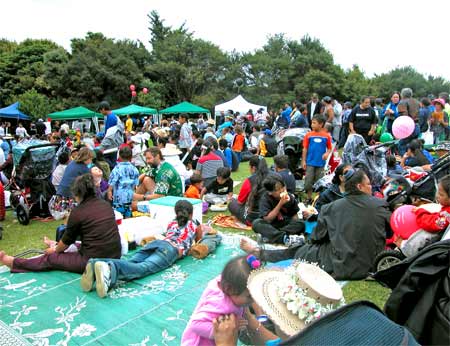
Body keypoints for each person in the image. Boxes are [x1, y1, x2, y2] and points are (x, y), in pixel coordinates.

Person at [241, 170, 392, 280]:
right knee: (259, 223)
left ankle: (261, 253)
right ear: (359, 187)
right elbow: (390, 233)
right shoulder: (381, 205)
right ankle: (279, 241)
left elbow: (317, 237)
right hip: (373, 263)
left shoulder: (331, 207)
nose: (371, 187)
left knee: (302, 249)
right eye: (368, 184)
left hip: (342, 264)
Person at [0, 174, 121, 273]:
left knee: (51, 258)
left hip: (93, 261)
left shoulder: (78, 212)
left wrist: (55, 250)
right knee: (76, 245)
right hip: (115, 255)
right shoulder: (105, 205)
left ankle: (15, 263)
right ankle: (55, 244)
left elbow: (67, 242)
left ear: (77, 194)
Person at [81, 200, 202, 298]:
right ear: (191, 214)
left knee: (130, 262)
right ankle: (109, 268)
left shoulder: (172, 223)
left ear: (176, 213)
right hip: (170, 250)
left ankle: (95, 262)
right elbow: (199, 240)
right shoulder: (195, 224)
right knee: (142, 268)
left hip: (157, 243)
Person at [181, 255, 259, 346]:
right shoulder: (220, 304)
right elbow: (195, 324)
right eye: (249, 296)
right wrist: (224, 333)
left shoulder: (228, 281)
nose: (254, 300)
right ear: (229, 289)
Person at [252, 175, 304, 244]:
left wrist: (296, 225)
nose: (281, 190)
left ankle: (272, 236)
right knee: (256, 223)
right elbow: (268, 219)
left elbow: (294, 215)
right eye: (277, 189)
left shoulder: (290, 197)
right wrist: (280, 204)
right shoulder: (265, 199)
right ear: (270, 192)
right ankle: (284, 238)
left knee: (301, 224)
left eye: (283, 187)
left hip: (284, 225)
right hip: (270, 225)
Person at [228, 156, 271, 225]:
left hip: (253, 217)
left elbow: (240, 202)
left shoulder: (250, 180)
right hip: (271, 215)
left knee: (232, 203)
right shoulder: (275, 176)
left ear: (253, 168)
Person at [302, 114, 332, 203]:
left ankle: (318, 199)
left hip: (321, 163)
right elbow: (305, 148)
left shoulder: (326, 136)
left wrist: (327, 153)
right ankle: (309, 197)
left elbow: (330, 148)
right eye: (312, 123)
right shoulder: (308, 135)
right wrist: (303, 160)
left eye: (314, 123)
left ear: (321, 124)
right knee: (308, 182)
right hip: (310, 162)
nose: (312, 125)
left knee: (320, 182)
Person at [107, 146, 139, 218]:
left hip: (119, 197)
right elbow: (135, 184)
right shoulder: (134, 169)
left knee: (118, 216)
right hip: (130, 196)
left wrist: (109, 191)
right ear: (131, 157)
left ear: (119, 156)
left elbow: (112, 181)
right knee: (128, 214)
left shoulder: (117, 168)